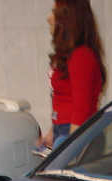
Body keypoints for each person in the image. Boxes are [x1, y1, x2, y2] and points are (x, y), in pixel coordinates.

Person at [39, 0, 106, 149]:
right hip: (66, 131)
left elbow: (82, 109)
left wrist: (70, 148)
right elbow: (63, 99)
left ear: (67, 18)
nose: (49, 18)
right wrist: (52, 132)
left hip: (75, 133)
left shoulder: (81, 56)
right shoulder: (71, 55)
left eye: (54, 12)